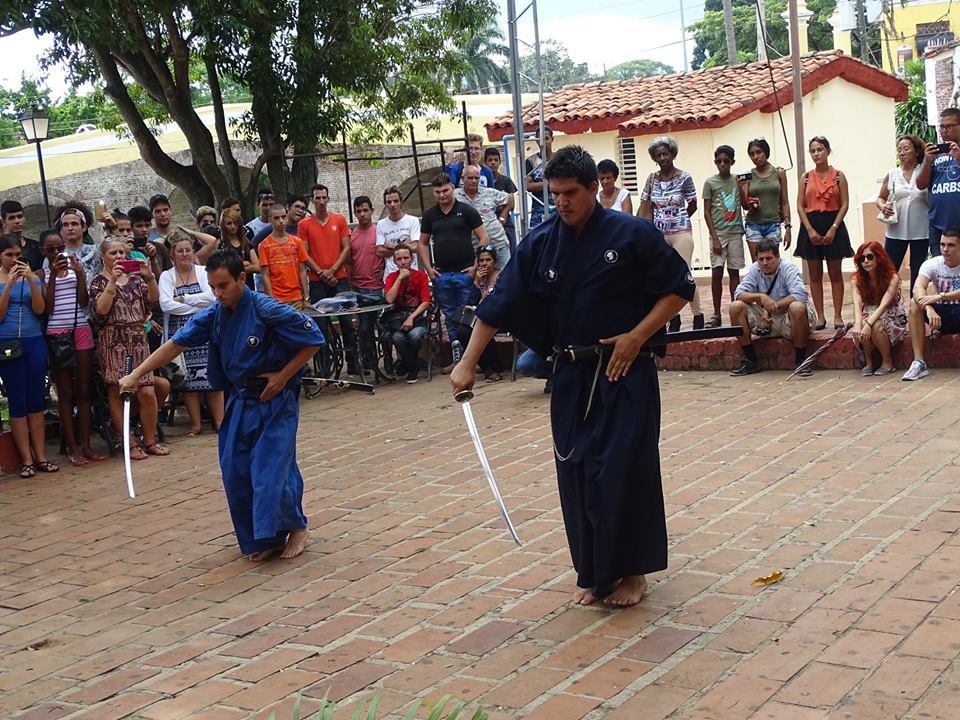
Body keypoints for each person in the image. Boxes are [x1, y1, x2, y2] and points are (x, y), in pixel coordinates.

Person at [452, 145, 695, 608]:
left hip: (624, 371)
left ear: (591, 190)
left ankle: (633, 573)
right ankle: (597, 573)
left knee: (622, 470)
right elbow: (499, 301)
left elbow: (678, 288)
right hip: (569, 375)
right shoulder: (542, 242)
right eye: (554, 193)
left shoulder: (631, 233)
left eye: (570, 193)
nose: (561, 202)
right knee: (578, 472)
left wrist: (637, 336)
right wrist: (467, 363)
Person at [120, 249, 325, 561]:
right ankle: (264, 538)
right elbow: (176, 344)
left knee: (269, 469)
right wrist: (136, 374)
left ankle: (297, 526)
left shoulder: (267, 308)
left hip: (275, 399)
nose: (218, 293)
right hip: (240, 400)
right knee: (236, 471)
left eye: (224, 286)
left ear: (242, 279)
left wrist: (284, 376)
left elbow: (313, 340)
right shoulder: (214, 314)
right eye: (213, 287)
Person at [90, 239, 167, 459]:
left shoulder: (135, 279)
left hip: (139, 341)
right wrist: (112, 281)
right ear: (103, 256)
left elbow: (153, 301)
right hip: (113, 342)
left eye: (122, 252)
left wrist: (150, 277)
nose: (118, 256)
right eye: (113, 253)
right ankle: (129, 443)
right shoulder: (98, 281)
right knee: (118, 392)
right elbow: (101, 311)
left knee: (147, 391)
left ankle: (149, 440)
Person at [39, 229, 104, 466]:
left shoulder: (76, 268)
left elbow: (84, 302)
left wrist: (78, 275)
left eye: (59, 248)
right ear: (42, 251)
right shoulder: (42, 274)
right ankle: (73, 448)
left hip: (80, 329)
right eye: (50, 249)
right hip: (57, 333)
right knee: (65, 394)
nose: (56, 253)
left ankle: (86, 445)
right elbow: (46, 309)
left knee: (84, 391)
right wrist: (54, 277)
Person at [0, 235, 56, 478]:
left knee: (36, 398)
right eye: (8, 255)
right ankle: (26, 459)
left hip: (33, 340)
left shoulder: (31, 275)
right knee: (18, 399)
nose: (14, 260)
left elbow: (40, 309)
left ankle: (41, 455)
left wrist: (33, 282)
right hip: (7, 342)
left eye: (17, 255)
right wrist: (9, 286)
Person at [159, 232, 224, 435]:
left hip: (206, 330)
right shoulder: (166, 276)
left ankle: (220, 422)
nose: (185, 254)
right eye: (180, 251)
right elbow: (166, 305)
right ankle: (195, 425)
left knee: (212, 378)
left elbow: (212, 298)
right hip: (180, 332)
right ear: (173, 254)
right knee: (189, 381)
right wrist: (197, 305)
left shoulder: (204, 271)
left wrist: (185, 298)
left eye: (188, 250)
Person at [638, 135, 703, 331]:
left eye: (666, 153)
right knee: (666, 276)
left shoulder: (684, 177)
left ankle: (697, 315)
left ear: (673, 154)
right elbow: (645, 204)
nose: (663, 158)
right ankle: (673, 318)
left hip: (681, 232)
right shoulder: (651, 179)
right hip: (659, 234)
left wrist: (680, 217)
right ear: (654, 158)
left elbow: (693, 203)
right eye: (658, 155)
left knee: (685, 274)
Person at [728, 238, 817, 376]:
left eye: (769, 258)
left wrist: (770, 307)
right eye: (761, 259)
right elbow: (738, 293)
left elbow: (800, 294)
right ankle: (751, 360)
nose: (765, 263)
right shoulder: (754, 269)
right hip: (765, 320)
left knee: (797, 307)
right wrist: (760, 297)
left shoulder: (788, 267)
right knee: (735, 307)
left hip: (788, 317)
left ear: (777, 257)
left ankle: (801, 360)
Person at [417, 173, 487, 347]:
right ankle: (456, 356)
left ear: (453, 189)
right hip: (441, 274)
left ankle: (470, 357)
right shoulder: (430, 215)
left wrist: (475, 267)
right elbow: (422, 243)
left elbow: (484, 238)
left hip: (465, 273)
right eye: (438, 192)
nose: (442, 195)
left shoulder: (467, 210)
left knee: (467, 315)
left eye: (445, 190)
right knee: (449, 316)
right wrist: (428, 269)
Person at [297, 184, 359, 372]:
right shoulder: (304, 224)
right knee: (320, 324)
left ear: (328, 198)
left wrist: (332, 270)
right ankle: (324, 365)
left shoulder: (339, 220)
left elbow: (346, 247)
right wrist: (322, 273)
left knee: (347, 322)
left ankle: (353, 363)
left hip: (339, 277)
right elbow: (304, 253)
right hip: (317, 281)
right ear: (312, 200)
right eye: (318, 198)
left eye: (324, 197)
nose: (321, 202)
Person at [794, 136, 852, 330]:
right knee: (814, 274)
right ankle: (820, 316)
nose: (816, 153)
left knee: (835, 273)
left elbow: (844, 204)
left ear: (827, 150)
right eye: (813, 150)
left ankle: (837, 315)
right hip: (811, 226)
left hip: (833, 225)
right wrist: (809, 229)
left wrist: (834, 228)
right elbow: (800, 206)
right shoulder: (806, 177)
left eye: (820, 149)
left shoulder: (838, 176)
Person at [901, 227, 960, 381]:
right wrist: (928, 308)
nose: (945, 249)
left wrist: (940, 296)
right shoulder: (932, 263)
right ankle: (919, 363)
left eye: (951, 245)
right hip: (941, 316)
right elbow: (917, 287)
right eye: (942, 244)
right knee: (914, 303)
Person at [877, 135, 929, 295]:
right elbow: (880, 198)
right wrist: (883, 206)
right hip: (896, 229)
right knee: (889, 270)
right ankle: (888, 308)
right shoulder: (892, 173)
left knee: (918, 270)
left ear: (916, 150)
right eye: (899, 149)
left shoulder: (925, 170)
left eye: (906, 148)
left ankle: (917, 308)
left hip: (921, 230)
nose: (902, 152)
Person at [702, 145, 746, 328]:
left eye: (726, 161)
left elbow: (745, 204)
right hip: (719, 232)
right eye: (719, 161)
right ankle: (716, 313)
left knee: (734, 272)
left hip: (735, 231)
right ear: (715, 162)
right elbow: (706, 212)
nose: (722, 164)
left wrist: (743, 188)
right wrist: (715, 238)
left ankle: (735, 311)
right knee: (717, 272)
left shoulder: (738, 179)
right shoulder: (710, 183)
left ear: (732, 162)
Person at [851, 241, 906, 376]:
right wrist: (858, 324)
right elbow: (857, 303)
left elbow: (885, 304)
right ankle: (869, 363)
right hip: (868, 311)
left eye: (870, 257)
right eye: (862, 258)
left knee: (876, 326)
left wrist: (869, 323)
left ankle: (887, 362)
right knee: (863, 323)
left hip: (891, 312)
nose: (866, 261)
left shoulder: (892, 277)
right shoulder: (856, 279)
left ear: (879, 257)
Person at [383, 245, 431, 383]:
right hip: (397, 319)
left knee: (414, 336)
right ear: (394, 261)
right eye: (399, 259)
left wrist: (411, 318)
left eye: (406, 258)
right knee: (398, 337)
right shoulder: (391, 277)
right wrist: (399, 279)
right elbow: (389, 299)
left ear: (412, 259)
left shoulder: (421, 276)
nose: (403, 262)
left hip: (417, 317)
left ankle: (407, 365)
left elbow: (426, 302)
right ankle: (414, 366)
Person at [916, 107, 960, 258]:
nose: (944, 130)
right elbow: (920, 184)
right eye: (941, 126)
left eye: (949, 126)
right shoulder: (935, 153)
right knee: (940, 269)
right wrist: (928, 162)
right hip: (937, 223)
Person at [739, 138, 791, 262]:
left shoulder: (779, 173)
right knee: (757, 265)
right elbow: (745, 206)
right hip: (753, 224)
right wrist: (741, 188)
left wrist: (788, 227)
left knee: (772, 263)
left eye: (759, 152)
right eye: (752, 154)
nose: (756, 156)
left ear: (766, 152)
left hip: (773, 224)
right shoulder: (748, 176)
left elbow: (784, 202)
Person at [259, 205, 321, 310]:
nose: (281, 221)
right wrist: (271, 300)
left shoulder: (296, 242)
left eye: (283, 217)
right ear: (270, 220)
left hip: (296, 297)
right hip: (277, 299)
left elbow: (302, 271)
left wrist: (306, 297)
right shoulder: (264, 245)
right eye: (276, 218)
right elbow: (265, 276)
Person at [455, 164, 513, 269]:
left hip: (498, 243)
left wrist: (502, 218)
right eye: (470, 178)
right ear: (463, 179)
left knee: (506, 278)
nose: (474, 181)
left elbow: (510, 198)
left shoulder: (489, 192)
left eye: (476, 178)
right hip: (475, 249)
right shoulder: (455, 196)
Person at [194, 207, 259, 289]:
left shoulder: (245, 242)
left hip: (248, 286)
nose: (233, 226)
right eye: (229, 223)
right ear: (223, 225)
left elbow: (257, 266)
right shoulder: (220, 245)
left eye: (235, 223)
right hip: (228, 289)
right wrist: (244, 265)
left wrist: (237, 269)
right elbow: (222, 269)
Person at [469, 246, 506, 382]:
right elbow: (470, 301)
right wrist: (476, 282)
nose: (484, 263)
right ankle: (486, 367)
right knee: (463, 331)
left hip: (500, 317)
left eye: (488, 260)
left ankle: (496, 368)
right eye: (481, 260)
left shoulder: (502, 277)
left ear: (494, 262)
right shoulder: (479, 279)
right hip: (481, 317)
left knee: (484, 328)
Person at [376, 186, 421, 279]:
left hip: (412, 274)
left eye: (396, 201)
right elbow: (379, 251)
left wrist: (391, 246)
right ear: (385, 204)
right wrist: (405, 246)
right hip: (391, 275)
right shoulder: (381, 224)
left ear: (401, 202)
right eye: (389, 202)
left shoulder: (413, 221)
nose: (392, 204)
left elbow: (416, 247)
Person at [484, 146, 519, 253]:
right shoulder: (481, 181)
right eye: (490, 160)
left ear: (500, 162)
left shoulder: (506, 181)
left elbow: (512, 203)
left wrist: (501, 220)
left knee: (511, 257)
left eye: (496, 160)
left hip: (506, 225)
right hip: (486, 227)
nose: (493, 163)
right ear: (485, 162)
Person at [526, 126, 555, 229]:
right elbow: (527, 186)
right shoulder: (531, 161)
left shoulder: (560, 159)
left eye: (546, 139)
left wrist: (539, 184)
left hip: (558, 211)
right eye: (540, 140)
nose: (543, 143)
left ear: (552, 139)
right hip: (538, 213)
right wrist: (548, 184)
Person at [1, 201, 43, 271]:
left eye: (20, 216)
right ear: (3, 221)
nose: (17, 221)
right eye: (11, 218)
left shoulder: (35, 246)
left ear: (24, 218)